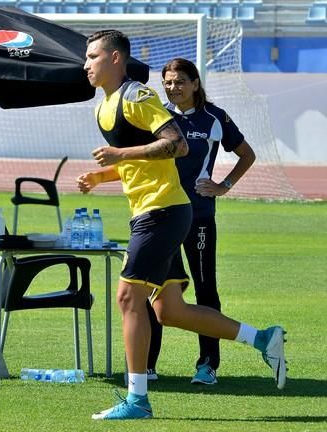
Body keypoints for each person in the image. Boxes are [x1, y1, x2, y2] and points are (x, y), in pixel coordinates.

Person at [77, 30, 287, 421]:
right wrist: (101, 177)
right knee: (169, 311)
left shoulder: (135, 96)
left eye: (92, 56)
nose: (86, 64)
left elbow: (177, 144)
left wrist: (118, 153)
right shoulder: (103, 106)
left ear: (116, 59)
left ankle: (138, 400)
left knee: (127, 298)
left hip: (165, 211)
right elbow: (140, 163)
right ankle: (262, 338)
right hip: (150, 210)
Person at [145, 58, 257, 386]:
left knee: (206, 288)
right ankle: (148, 366)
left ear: (195, 83)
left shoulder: (215, 118)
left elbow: (247, 155)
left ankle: (207, 365)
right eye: (167, 82)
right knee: (157, 288)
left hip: (199, 217)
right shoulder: (158, 116)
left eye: (180, 81)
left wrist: (223, 186)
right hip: (162, 215)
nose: (173, 87)